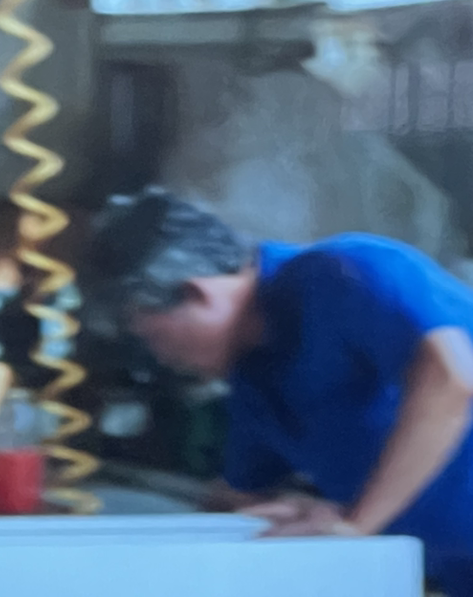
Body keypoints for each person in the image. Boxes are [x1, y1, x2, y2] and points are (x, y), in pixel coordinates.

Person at [89, 187, 473, 597]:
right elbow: (237, 496)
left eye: (155, 337)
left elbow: (451, 379)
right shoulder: (254, 380)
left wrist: (354, 524)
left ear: (197, 292)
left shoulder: (348, 272)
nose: (160, 356)